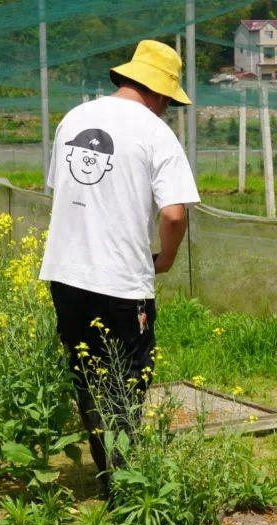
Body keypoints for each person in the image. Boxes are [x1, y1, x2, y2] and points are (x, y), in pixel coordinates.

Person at [39, 40, 200, 487]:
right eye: (169, 100)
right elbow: (173, 213)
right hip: (121, 282)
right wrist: (164, 259)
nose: (167, 108)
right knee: (126, 380)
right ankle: (126, 488)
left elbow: (67, 193)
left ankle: (109, 472)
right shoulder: (154, 132)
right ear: (159, 91)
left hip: (66, 274)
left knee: (88, 376)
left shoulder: (74, 118)